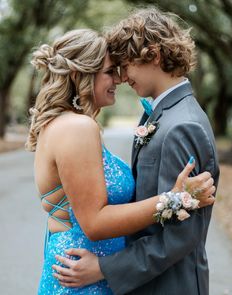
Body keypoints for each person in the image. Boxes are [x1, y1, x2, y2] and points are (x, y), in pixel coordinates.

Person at [52, 8, 220, 295]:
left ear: (153, 55)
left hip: (170, 286)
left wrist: (105, 268)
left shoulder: (183, 125)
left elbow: (181, 236)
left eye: (125, 64)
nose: (121, 77)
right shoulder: (163, 115)